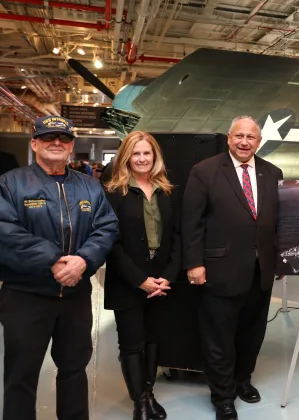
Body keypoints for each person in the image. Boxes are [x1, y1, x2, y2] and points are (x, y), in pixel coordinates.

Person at [0, 115, 118, 420]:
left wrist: (83, 260)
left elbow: (106, 227)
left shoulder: (90, 187)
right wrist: (53, 260)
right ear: (35, 143)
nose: (56, 143)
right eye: (49, 137)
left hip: (75, 296)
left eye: (63, 139)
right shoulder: (11, 183)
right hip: (26, 296)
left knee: (74, 370)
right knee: (20, 375)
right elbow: (5, 231)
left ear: (71, 147)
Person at [182, 116, 283, 420]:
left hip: (260, 271)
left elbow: (277, 222)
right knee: (219, 337)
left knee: (252, 333)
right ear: (228, 138)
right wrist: (194, 263)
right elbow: (191, 222)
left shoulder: (272, 172)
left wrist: (278, 260)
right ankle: (222, 396)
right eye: (238, 136)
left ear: (259, 142)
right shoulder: (205, 171)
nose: (244, 142)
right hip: (218, 271)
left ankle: (242, 380)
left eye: (250, 137)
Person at [104, 131, 183, 420]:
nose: (141, 159)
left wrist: (168, 277)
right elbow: (111, 243)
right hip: (128, 280)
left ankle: (148, 392)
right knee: (132, 342)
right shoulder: (113, 192)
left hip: (161, 280)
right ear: (126, 157)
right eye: (135, 153)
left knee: (153, 339)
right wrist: (139, 280)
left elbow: (177, 237)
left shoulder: (167, 190)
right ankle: (139, 402)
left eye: (146, 153)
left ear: (155, 157)